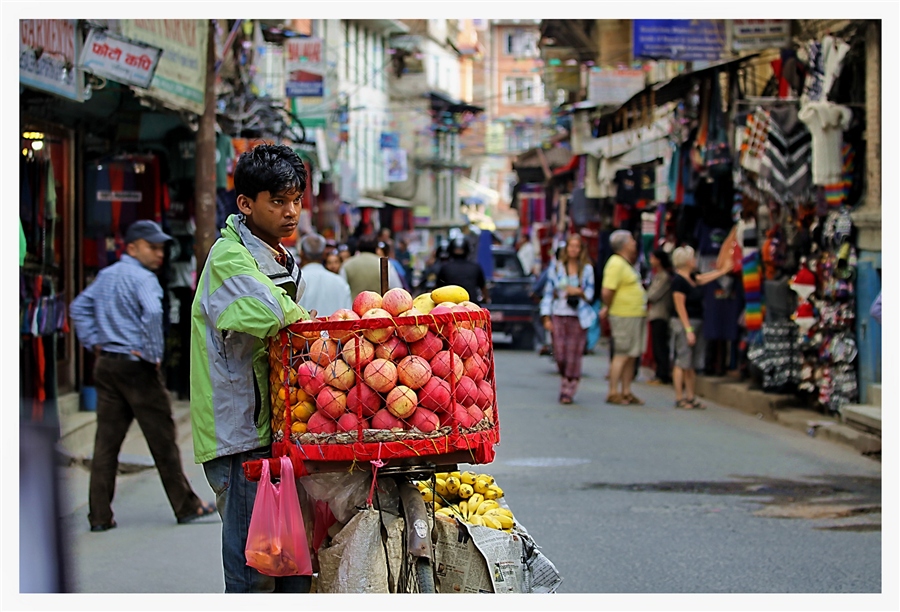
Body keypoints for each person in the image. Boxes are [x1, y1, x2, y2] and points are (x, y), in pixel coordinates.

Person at [189, 143, 313, 593]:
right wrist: (309, 321)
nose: (291, 212)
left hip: (273, 431)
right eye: (277, 201)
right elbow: (272, 313)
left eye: (296, 200)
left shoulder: (277, 258)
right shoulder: (228, 257)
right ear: (245, 203)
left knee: (291, 567)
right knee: (252, 574)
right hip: (239, 437)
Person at [69, 219, 215, 533]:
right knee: (162, 439)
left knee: (106, 442)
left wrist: (94, 341)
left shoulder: (106, 275)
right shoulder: (144, 278)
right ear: (132, 248)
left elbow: (79, 307)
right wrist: (152, 354)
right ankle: (186, 505)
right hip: (137, 367)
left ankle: (99, 515)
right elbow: (151, 312)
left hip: (108, 364)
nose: (159, 254)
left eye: (161, 248)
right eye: (152, 247)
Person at [669, 245, 731, 410]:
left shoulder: (692, 277)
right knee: (682, 360)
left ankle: (691, 396)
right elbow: (680, 307)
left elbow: (703, 278)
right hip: (684, 323)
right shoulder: (678, 282)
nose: (695, 260)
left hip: (697, 320)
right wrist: (688, 329)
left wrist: (722, 271)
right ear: (686, 261)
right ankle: (679, 397)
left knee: (692, 363)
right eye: (692, 258)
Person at [539, 235, 596, 404]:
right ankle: (565, 377)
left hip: (579, 315)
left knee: (574, 354)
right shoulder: (557, 268)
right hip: (559, 313)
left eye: (577, 246)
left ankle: (568, 389)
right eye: (571, 246)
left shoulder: (586, 269)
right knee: (560, 353)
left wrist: (578, 292)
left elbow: (590, 293)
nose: (573, 250)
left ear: (581, 249)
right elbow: (548, 293)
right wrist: (546, 317)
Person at [600, 230, 648, 406]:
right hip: (623, 314)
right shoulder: (616, 263)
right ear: (624, 244)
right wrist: (609, 307)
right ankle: (613, 391)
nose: (634, 243)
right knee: (622, 352)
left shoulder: (626, 264)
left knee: (631, 354)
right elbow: (607, 291)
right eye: (632, 240)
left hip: (634, 314)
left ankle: (626, 391)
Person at [297, 233, 352, 317]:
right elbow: (349, 317)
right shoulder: (340, 282)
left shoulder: (295, 281)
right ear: (324, 254)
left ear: (301, 254)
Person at [340, 235, 403, 299]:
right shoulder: (384, 263)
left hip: (354, 304)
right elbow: (396, 288)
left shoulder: (347, 264)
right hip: (378, 304)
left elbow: (342, 289)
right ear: (376, 248)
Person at [646, 249, 674, 385]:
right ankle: (659, 372)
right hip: (654, 314)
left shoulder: (664, 277)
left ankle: (663, 374)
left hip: (661, 314)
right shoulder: (657, 275)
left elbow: (652, 295)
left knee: (660, 345)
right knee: (656, 345)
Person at [436, 236, 489, 305]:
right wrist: (486, 299)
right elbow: (483, 288)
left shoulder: (445, 267)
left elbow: (437, 289)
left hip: (450, 305)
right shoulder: (475, 267)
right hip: (471, 305)